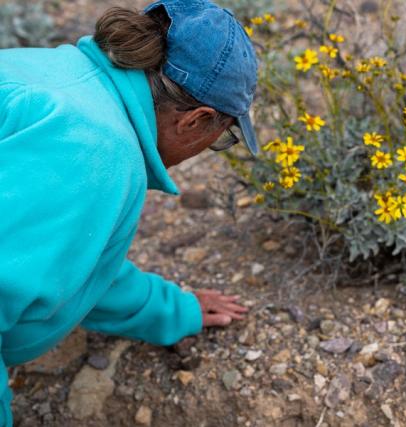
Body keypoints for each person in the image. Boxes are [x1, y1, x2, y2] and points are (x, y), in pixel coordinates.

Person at [0, 0, 258, 424]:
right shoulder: (95, 153)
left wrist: (171, 308)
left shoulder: (59, 75)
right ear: (196, 121)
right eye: (222, 137)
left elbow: (70, 263)